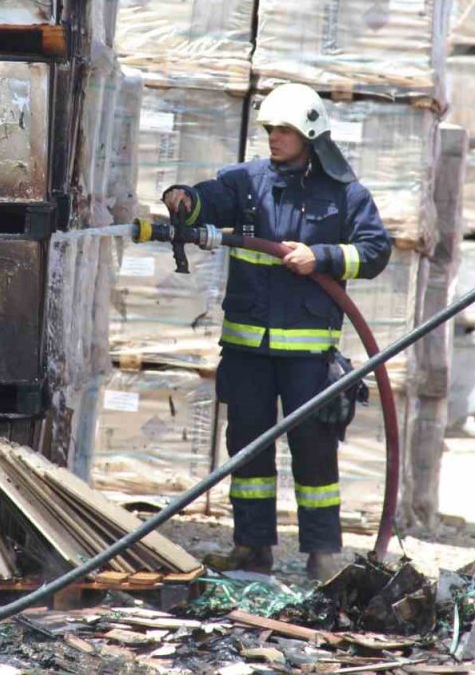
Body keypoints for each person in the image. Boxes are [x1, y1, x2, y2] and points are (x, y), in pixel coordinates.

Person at [162, 83, 391, 579]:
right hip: (246, 351)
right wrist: (184, 200)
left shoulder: (345, 194)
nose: (274, 138)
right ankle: (252, 548)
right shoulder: (245, 182)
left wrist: (324, 257)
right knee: (247, 448)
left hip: (309, 356)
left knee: (314, 449)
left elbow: (375, 251)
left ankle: (323, 553)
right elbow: (208, 201)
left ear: (310, 133)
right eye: (270, 129)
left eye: (284, 130)